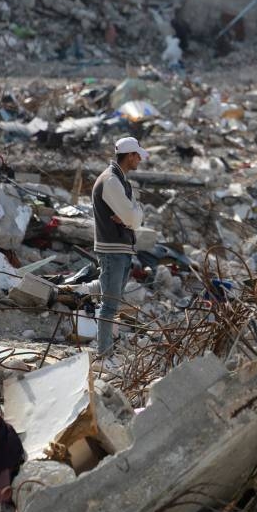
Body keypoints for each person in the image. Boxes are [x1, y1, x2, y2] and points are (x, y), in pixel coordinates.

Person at [92, 137, 148, 357]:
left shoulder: (120, 180)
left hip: (121, 249)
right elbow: (133, 218)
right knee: (109, 305)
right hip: (112, 249)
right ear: (130, 155)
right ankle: (103, 353)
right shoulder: (111, 181)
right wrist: (131, 217)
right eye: (138, 155)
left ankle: (106, 350)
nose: (140, 160)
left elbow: (135, 216)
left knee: (112, 303)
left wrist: (131, 217)